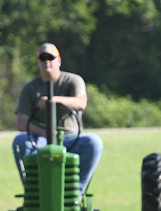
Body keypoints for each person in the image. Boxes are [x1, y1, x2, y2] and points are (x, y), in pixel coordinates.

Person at [12, 43, 103, 195]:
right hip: (41, 140)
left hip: (70, 139)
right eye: (43, 58)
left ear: (58, 61)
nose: (47, 61)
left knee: (94, 142)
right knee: (20, 141)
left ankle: (75, 194)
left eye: (51, 58)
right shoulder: (30, 89)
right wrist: (45, 133)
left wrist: (53, 100)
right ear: (38, 62)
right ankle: (34, 192)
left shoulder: (72, 81)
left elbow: (81, 103)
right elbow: (21, 123)